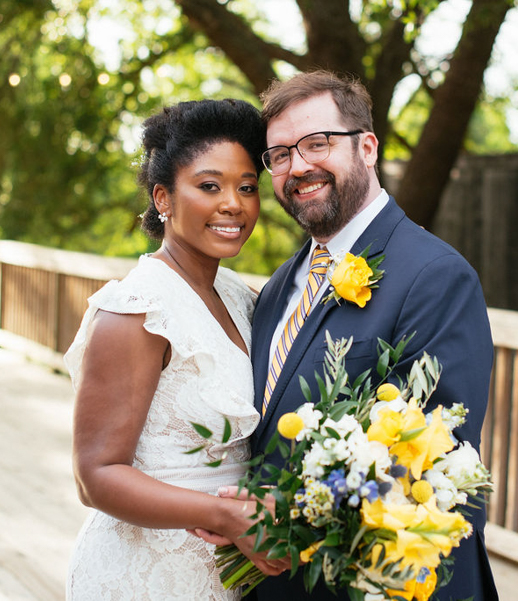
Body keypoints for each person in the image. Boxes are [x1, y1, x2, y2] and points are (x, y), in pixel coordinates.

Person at [205, 70, 499, 600]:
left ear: (367, 147)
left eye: (317, 143)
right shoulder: (277, 287)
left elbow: (435, 460)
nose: (298, 166)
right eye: (279, 155)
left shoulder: (435, 277)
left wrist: (290, 514)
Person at [63, 98, 287, 600]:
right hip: (145, 574)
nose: (233, 203)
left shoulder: (242, 297)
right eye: (209, 186)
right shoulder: (136, 310)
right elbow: (95, 476)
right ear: (163, 198)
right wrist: (224, 514)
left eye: (247, 187)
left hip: (228, 573)